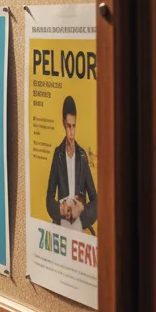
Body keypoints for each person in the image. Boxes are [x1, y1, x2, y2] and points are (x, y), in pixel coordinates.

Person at [45, 95, 98, 232]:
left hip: (80, 225)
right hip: (62, 226)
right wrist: (60, 209)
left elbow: (95, 200)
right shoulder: (58, 155)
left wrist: (81, 209)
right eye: (68, 126)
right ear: (63, 123)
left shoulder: (82, 156)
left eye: (74, 126)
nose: (71, 133)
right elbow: (49, 197)